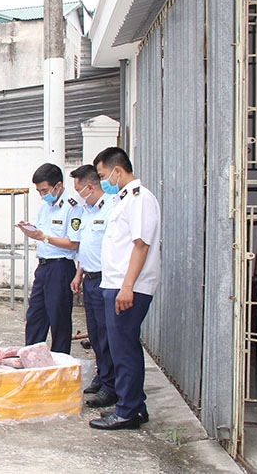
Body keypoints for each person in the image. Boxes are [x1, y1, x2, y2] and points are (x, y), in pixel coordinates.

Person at [89, 146, 161, 431]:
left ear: (117, 171)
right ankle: (135, 406)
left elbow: (140, 245)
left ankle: (127, 411)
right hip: (117, 285)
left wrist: (127, 286)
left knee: (124, 350)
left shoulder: (139, 199)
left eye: (104, 174)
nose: (103, 180)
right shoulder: (123, 200)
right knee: (122, 348)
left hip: (127, 287)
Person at [16, 162, 82, 354]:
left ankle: (60, 362)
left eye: (45, 190)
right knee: (35, 315)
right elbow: (41, 232)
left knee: (59, 318)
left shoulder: (72, 207)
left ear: (58, 186)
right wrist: (30, 230)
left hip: (61, 267)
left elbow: (73, 243)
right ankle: (31, 358)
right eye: (39, 191)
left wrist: (43, 237)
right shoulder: (46, 206)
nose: (42, 195)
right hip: (43, 267)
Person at [68, 164, 117, 409]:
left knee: (108, 335)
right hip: (89, 277)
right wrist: (79, 273)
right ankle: (103, 375)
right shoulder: (87, 211)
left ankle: (111, 387)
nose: (76, 194)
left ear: (89, 186)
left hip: (105, 280)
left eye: (78, 189)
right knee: (96, 334)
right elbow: (86, 248)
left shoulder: (112, 209)